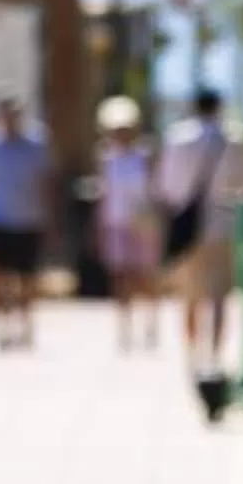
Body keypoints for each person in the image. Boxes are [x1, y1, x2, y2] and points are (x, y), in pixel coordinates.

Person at [155, 87, 243, 372]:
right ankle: (214, 357)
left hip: (188, 230)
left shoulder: (177, 139)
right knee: (220, 295)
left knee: (189, 296)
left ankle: (192, 358)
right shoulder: (234, 139)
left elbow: (166, 188)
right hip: (223, 226)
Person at [0, 95, 55, 350]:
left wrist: (50, 218)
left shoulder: (36, 145)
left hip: (28, 219)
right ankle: (2, 327)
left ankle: (26, 325)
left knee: (26, 278)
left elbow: (45, 184)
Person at [95, 96, 163, 350]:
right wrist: (99, 227)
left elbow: (156, 190)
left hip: (142, 222)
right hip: (116, 224)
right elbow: (104, 195)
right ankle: (125, 329)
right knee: (122, 277)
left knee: (145, 276)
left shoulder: (144, 156)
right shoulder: (107, 159)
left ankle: (151, 325)